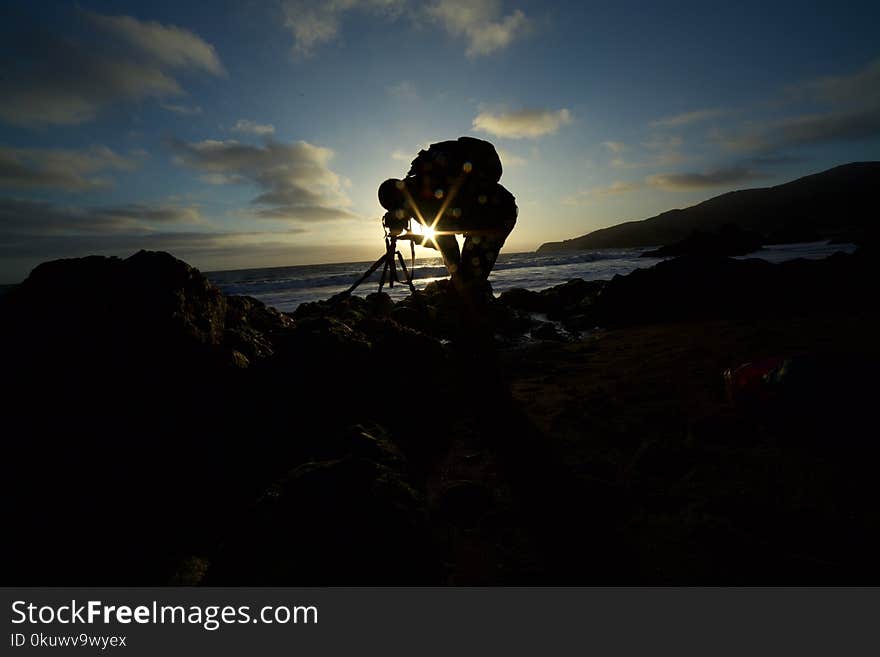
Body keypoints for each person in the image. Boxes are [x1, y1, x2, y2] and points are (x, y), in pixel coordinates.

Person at [378, 136, 517, 289]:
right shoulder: (420, 186)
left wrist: (457, 277)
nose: (399, 215)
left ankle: (478, 301)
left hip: (498, 216)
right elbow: (444, 237)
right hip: (489, 214)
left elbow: (447, 244)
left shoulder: (423, 201)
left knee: (469, 280)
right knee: (468, 277)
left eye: (395, 210)